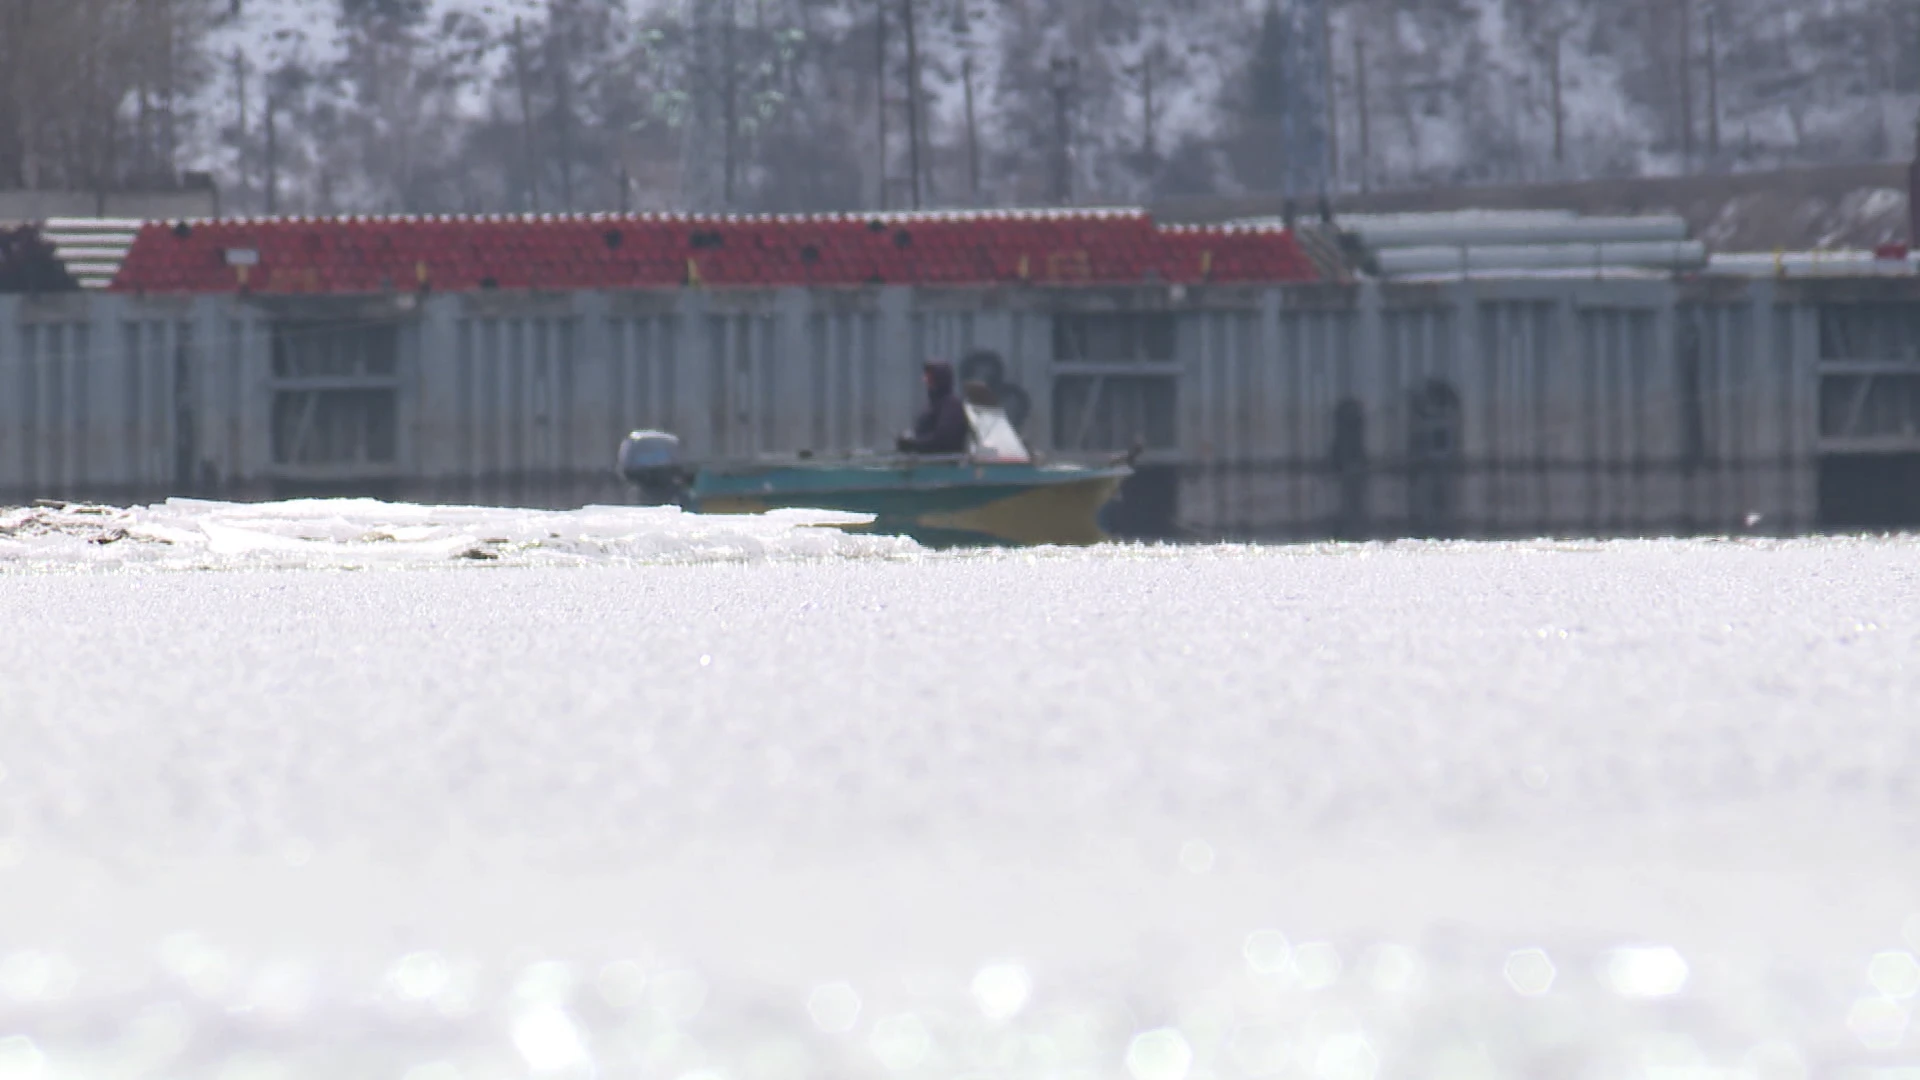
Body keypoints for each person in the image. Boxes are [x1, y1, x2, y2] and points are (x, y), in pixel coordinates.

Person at [895, 359, 970, 455]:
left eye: (930, 377)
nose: (925, 380)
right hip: (925, 464)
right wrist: (908, 440)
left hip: (944, 466)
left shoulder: (951, 406)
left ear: (940, 379)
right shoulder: (933, 406)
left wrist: (914, 444)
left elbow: (944, 440)